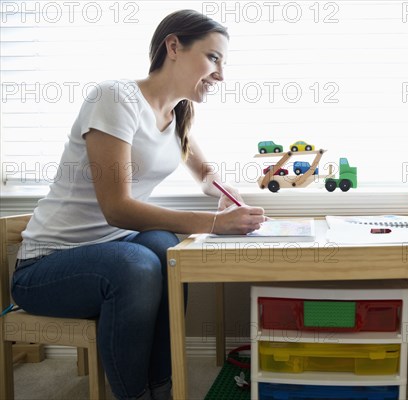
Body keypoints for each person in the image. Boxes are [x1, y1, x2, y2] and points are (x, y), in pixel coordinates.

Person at [11, 10, 265, 400]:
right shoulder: (115, 98)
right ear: (174, 46)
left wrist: (224, 192)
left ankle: (161, 388)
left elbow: (204, 173)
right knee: (136, 265)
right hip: (46, 266)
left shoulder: (178, 113)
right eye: (213, 58)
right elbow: (118, 208)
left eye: (224, 63)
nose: (220, 75)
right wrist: (216, 224)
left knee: (166, 249)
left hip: (108, 251)